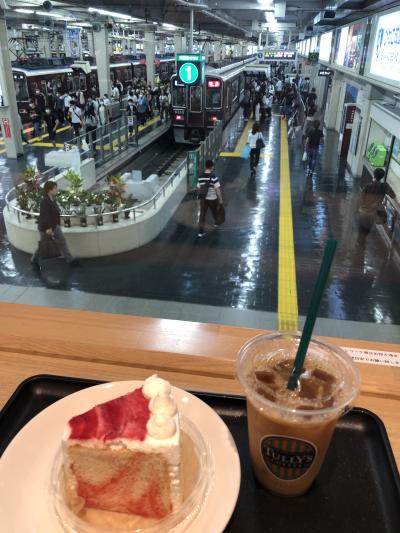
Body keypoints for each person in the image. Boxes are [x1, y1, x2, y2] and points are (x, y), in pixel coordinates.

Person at [31, 181, 75, 266]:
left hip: (54, 226)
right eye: (55, 188)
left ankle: (70, 260)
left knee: (62, 241)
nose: (57, 189)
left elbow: (55, 213)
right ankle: (34, 260)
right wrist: (48, 228)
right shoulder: (45, 201)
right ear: (49, 190)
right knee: (44, 244)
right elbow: (45, 216)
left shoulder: (52, 199)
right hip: (46, 228)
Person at [357, 168, 396, 241]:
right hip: (372, 213)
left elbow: (361, 199)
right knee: (366, 231)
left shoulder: (368, 186)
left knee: (361, 231)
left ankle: (360, 243)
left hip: (363, 212)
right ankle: (362, 242)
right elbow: (393, 196)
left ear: (374, 175)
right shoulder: (384, 186)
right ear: (382, 176)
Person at [197, 159, 223, 238]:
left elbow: (198, 188)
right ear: (212, 167)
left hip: (203, 199)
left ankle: (200, 232)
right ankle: (216, 223)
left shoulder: (200, 177)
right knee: (215, 211)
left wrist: (199, 198)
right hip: (213, 199)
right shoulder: (214, 177)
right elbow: (217, 189)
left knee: (202, 215)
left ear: (205, 167)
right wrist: (220, 199)